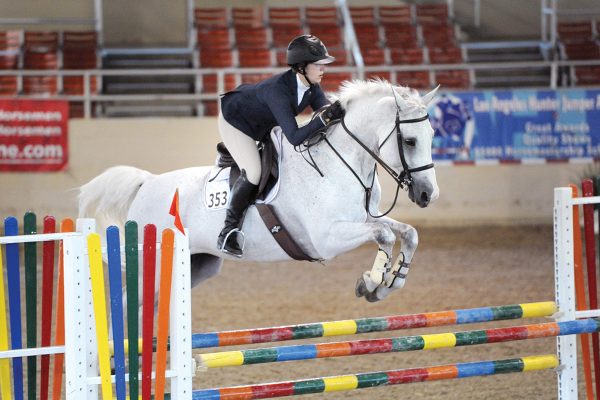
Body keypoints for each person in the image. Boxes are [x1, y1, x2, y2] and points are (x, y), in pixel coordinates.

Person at [216, 34, 345, 257]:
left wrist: (336, 113)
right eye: (319, 65)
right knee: (254, 172)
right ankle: (228, 231)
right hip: (236, 122)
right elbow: (295, 137)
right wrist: (324, 119)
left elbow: (324, 112)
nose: (324, 69)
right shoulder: (279, 90)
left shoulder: (312, 87)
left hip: (264, 123)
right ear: (302, 67)